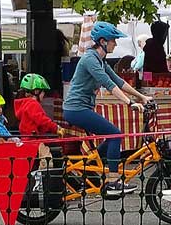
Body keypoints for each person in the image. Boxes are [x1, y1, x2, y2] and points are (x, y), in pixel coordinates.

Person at [63, 21, 153, 195]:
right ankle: (112, 182)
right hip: (76, 109)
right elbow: (108, 84)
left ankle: (89, 168)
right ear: (103, 41)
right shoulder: (90, 59)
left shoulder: (100, 60)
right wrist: (129, 103)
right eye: (114, 40)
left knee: (112, 136)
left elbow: (120, 82)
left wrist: (142, 97)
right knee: (115, 135)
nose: (116, 44)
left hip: (82, 108)